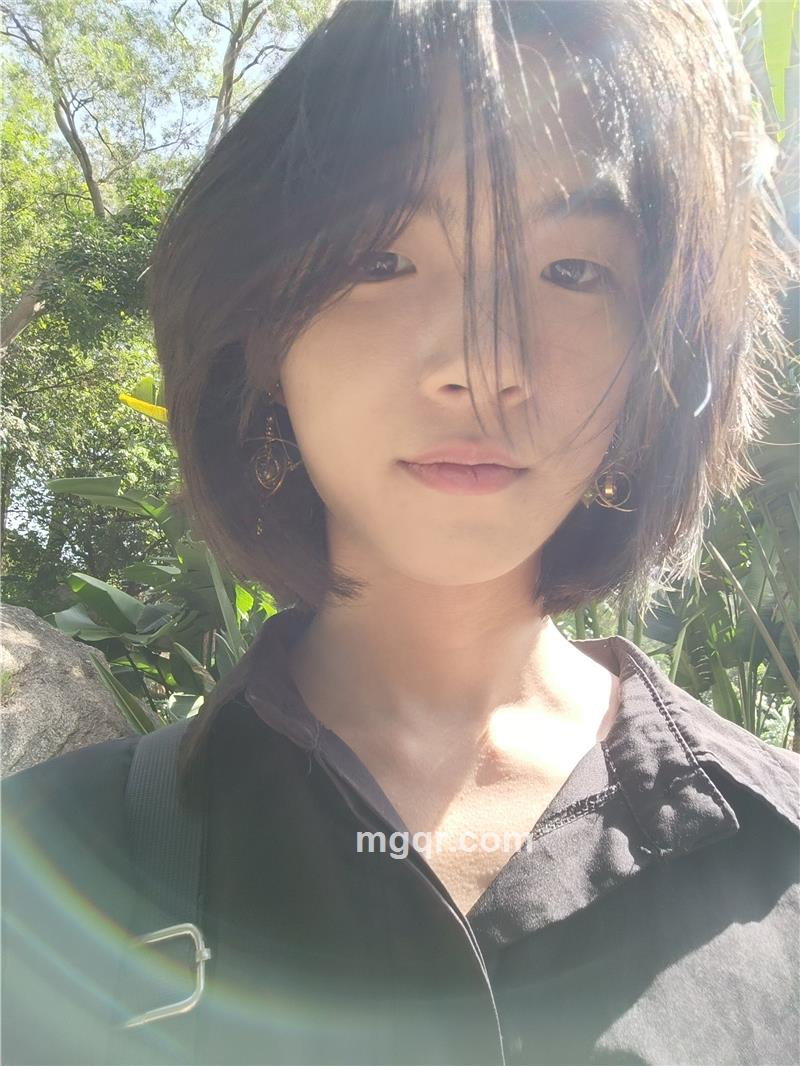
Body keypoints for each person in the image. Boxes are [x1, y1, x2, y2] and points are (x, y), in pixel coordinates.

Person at [2, 1, 798, 1064]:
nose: (481, 364)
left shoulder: (780, 861)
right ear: (263, 336)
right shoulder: (43, 870)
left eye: (571, 271)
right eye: (380, 260)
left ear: (657, 359)